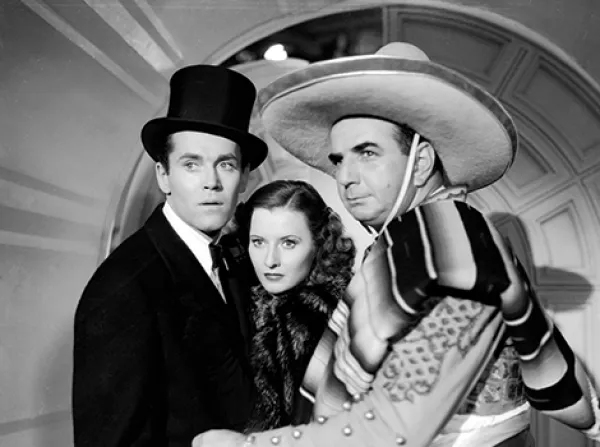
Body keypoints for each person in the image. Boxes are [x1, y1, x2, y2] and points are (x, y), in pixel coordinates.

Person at [193, 43, 600, 447]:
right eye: (339, 160)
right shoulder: (417, 243)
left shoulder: (448, 252)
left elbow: (393, 429)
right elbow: (561, 381)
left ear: (420, 162)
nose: (346, 177)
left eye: (367, 153)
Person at [72, 65, 267, 447]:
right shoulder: (124, 288)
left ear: (245, 177)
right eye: (191, 164)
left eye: (226, 164)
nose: (211, 182)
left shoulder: (237, 262)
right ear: (163, 175)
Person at [232, 180, 356, 432]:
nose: (270, 260)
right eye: (258, 242)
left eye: (288, 243)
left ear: (319, 244)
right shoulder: (249, 302)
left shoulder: (318, 322)